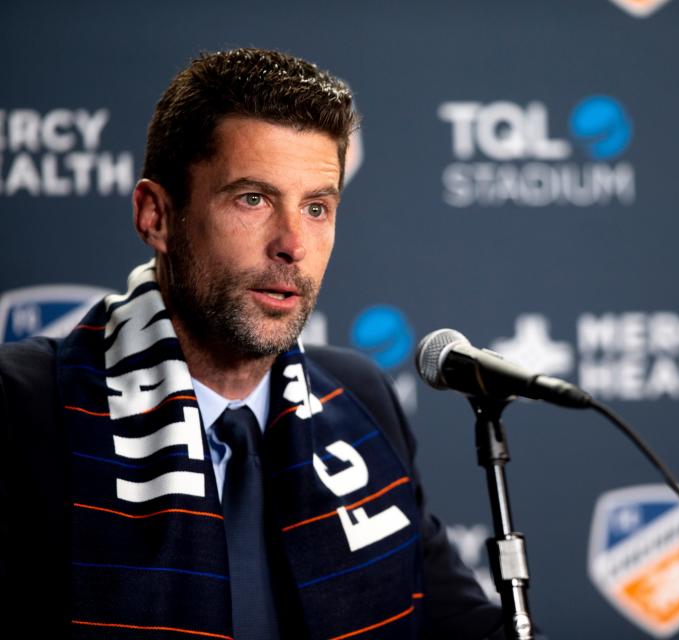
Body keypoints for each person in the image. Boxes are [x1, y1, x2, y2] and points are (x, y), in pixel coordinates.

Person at [0, 48, 502, 639]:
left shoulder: (360, 400)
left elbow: (461, 624)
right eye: (253, 199)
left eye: (317, 207)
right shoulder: (24, 406)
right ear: (155, 215)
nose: (293, 244)